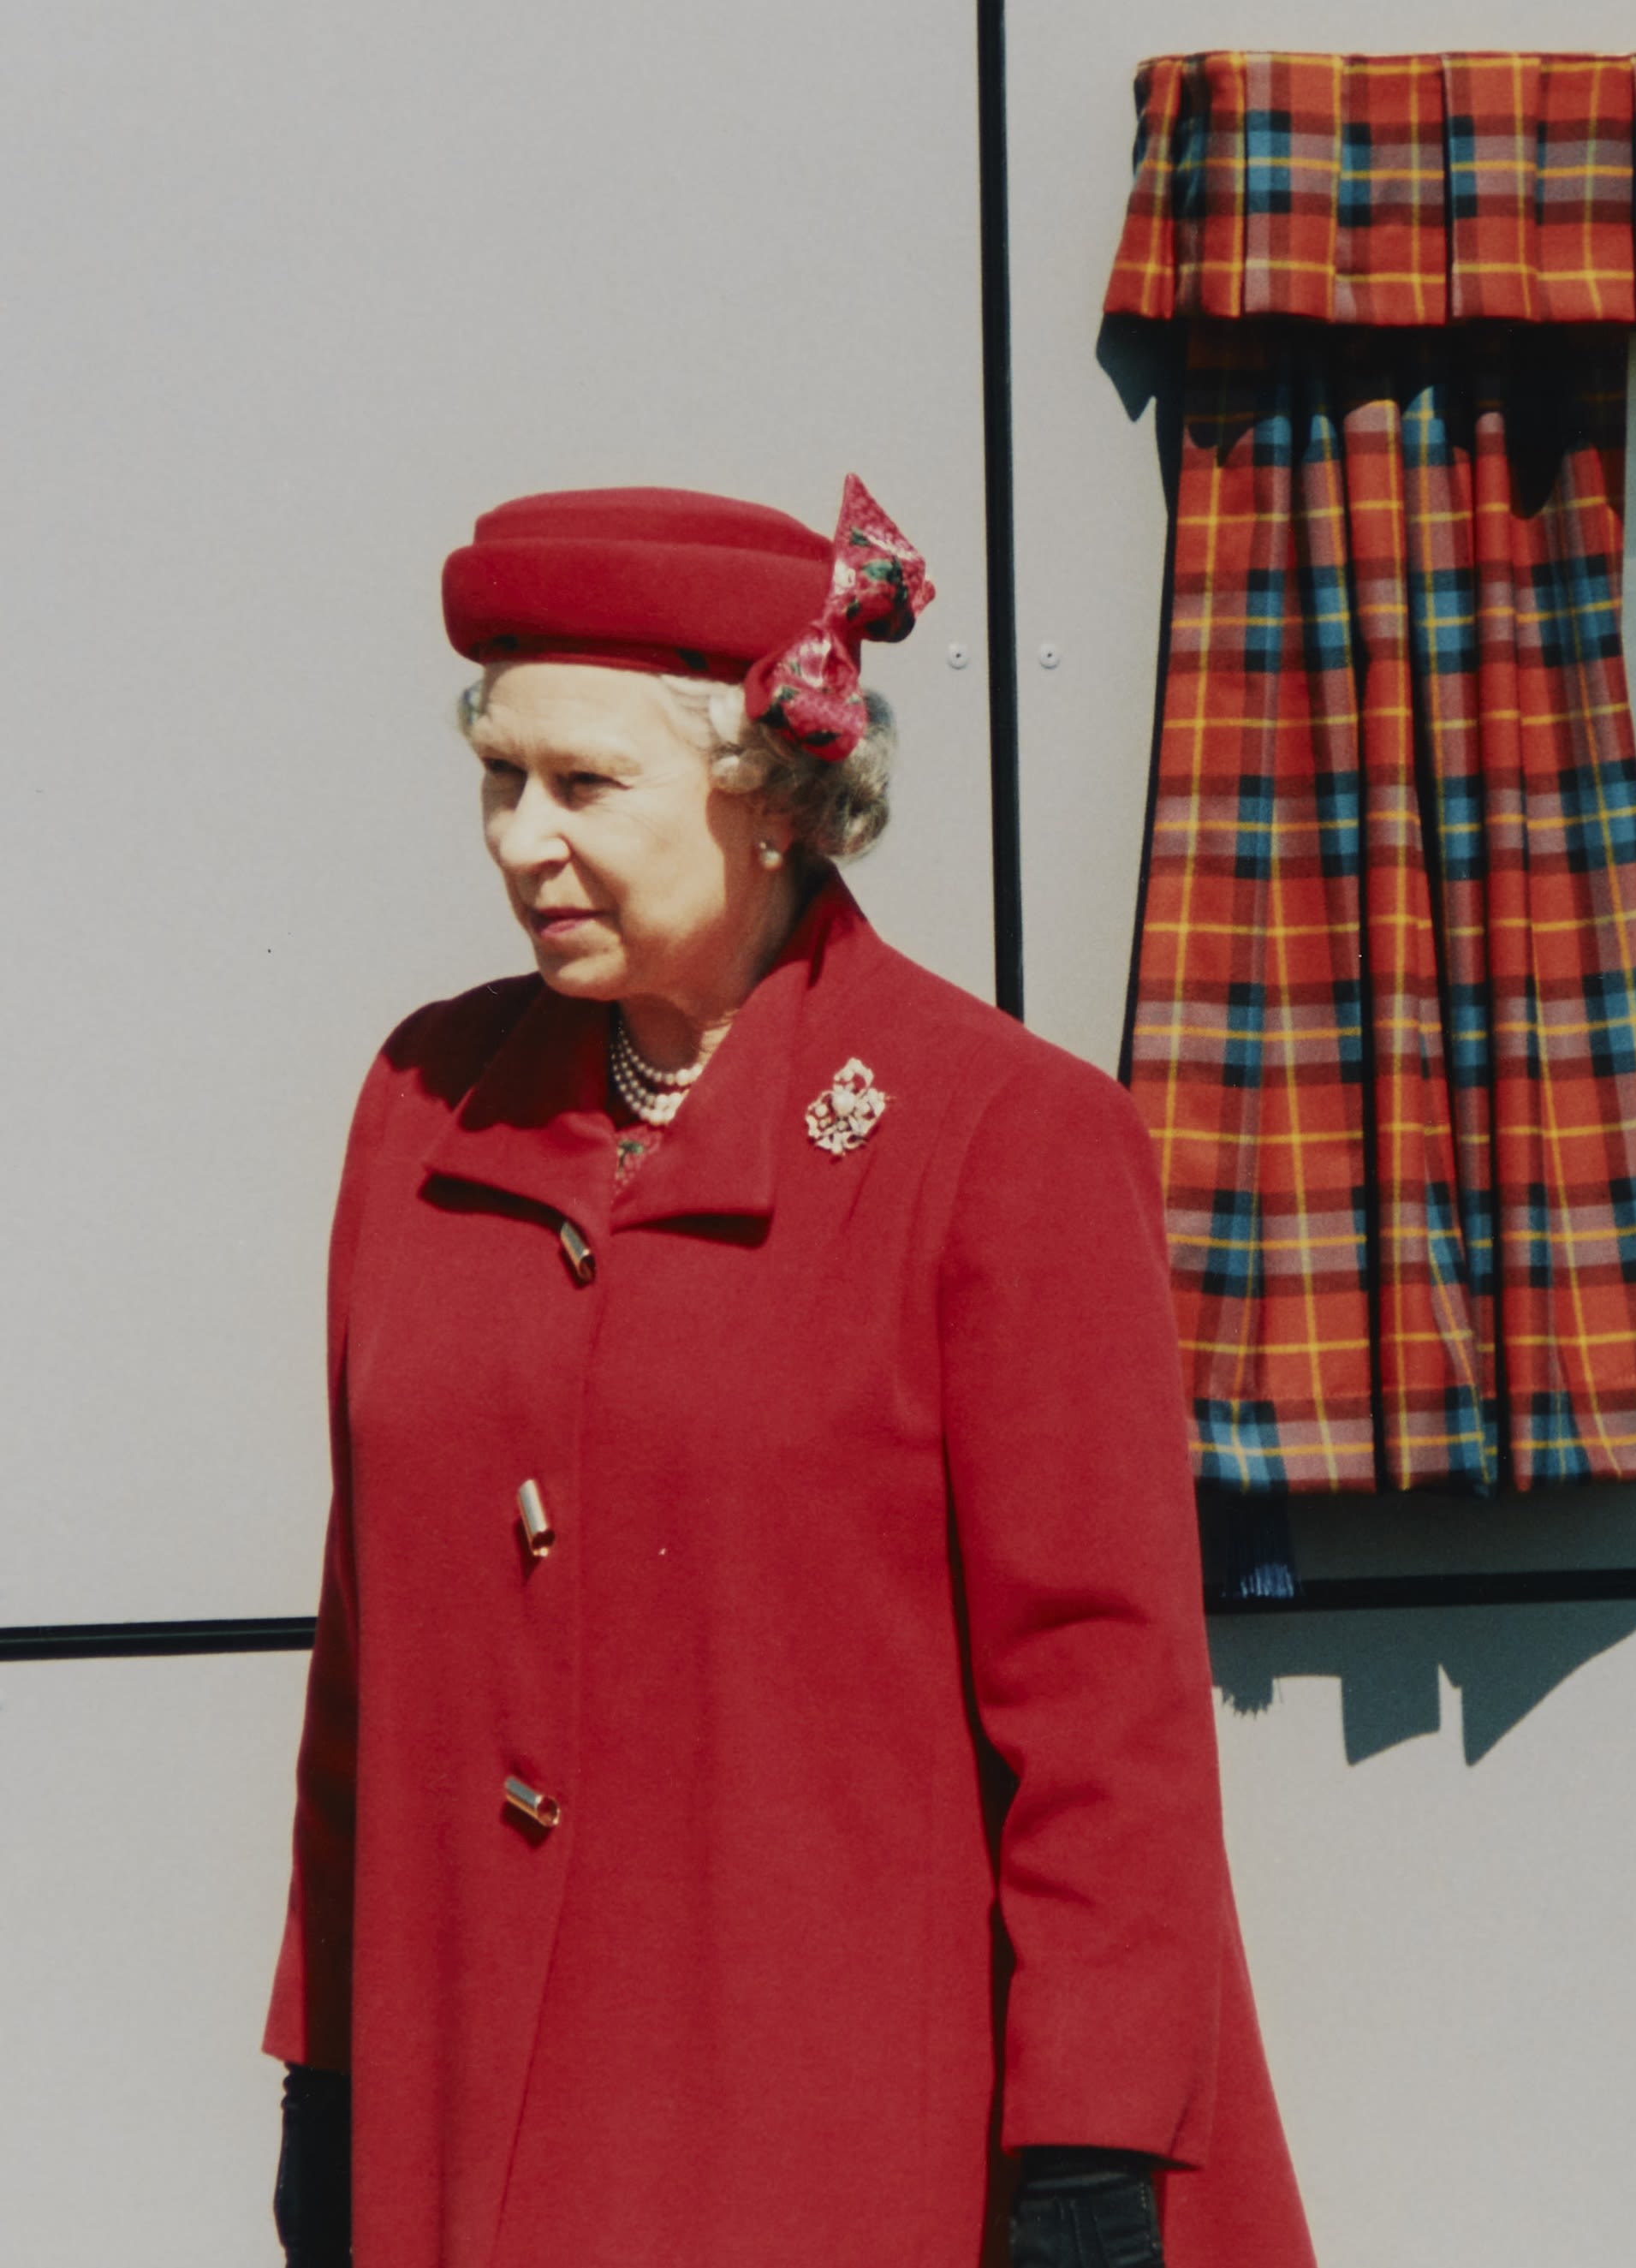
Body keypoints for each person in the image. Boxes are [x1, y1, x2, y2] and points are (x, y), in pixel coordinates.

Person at [264, 481, 1313, 2268]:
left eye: (586, 786)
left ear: (767, 794)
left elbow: (1104, 1708)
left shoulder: (1002, 1138)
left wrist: (1089, 2152)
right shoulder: (422, 1100)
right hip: (468, 2108)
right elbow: (368, 1649)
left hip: (839, 2124)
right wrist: (328, 2067)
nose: (524, 841)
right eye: (499, 777)